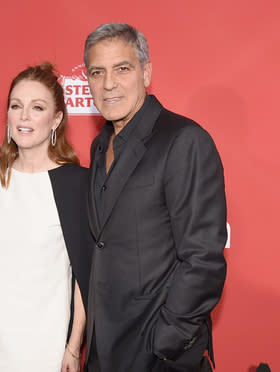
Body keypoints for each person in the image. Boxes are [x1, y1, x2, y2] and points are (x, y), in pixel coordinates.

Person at [83, 23, 227, 372]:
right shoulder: (100, 144)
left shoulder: (184, 141)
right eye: (97, 72)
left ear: (146, 72)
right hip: (104, 347)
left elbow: (203, 257)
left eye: (122, 69)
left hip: (157, 353)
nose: (108, 84)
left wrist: (168, 340)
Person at [0, 63, 91, 372]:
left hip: (43, 341)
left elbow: (85, 276)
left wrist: (74, 346)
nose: (24, 116)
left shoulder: (77, 184)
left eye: (37, 107)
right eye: (16, 106)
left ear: (56, 118)